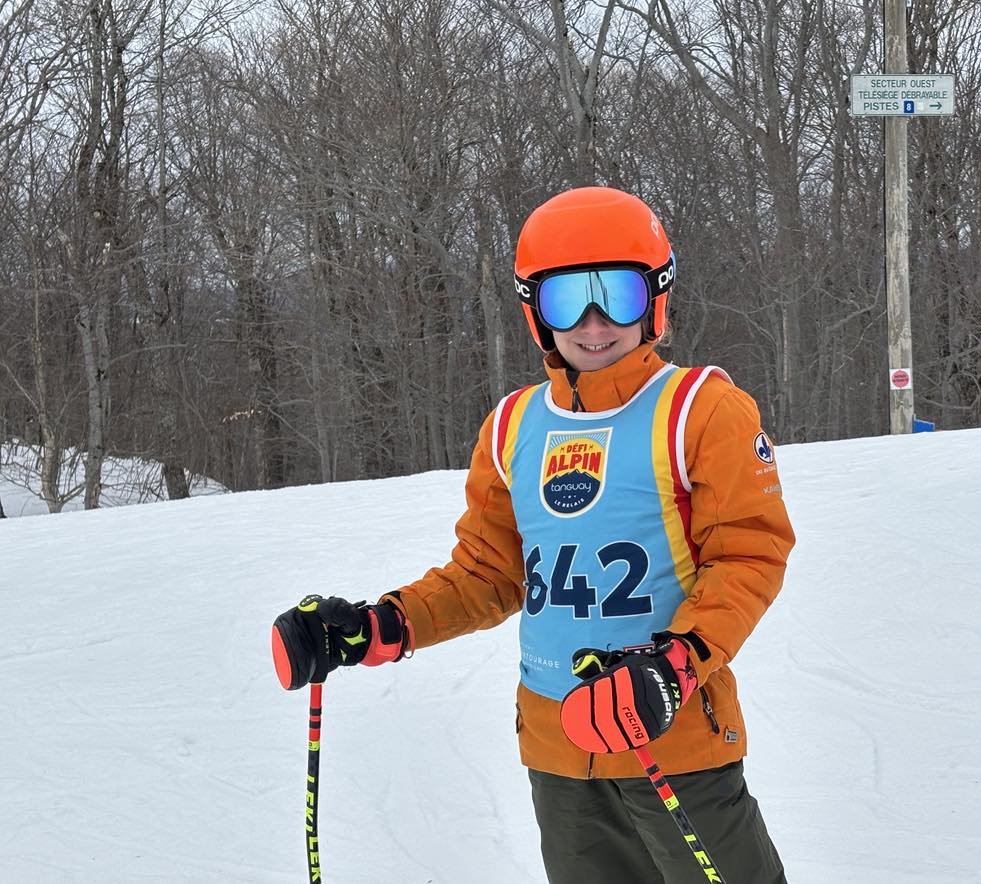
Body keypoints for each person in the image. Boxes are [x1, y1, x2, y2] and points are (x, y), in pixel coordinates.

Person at [272, 186, 795, 883]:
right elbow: (489, 574)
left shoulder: (699, 411)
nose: (593, 323)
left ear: (656, 298)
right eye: (563, 301)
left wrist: (672, 664)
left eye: (617, 294)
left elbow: (748, 554)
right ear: (533, 312)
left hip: (670, 733)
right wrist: (379, 626)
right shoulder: (515, 425)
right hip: (557, 748)